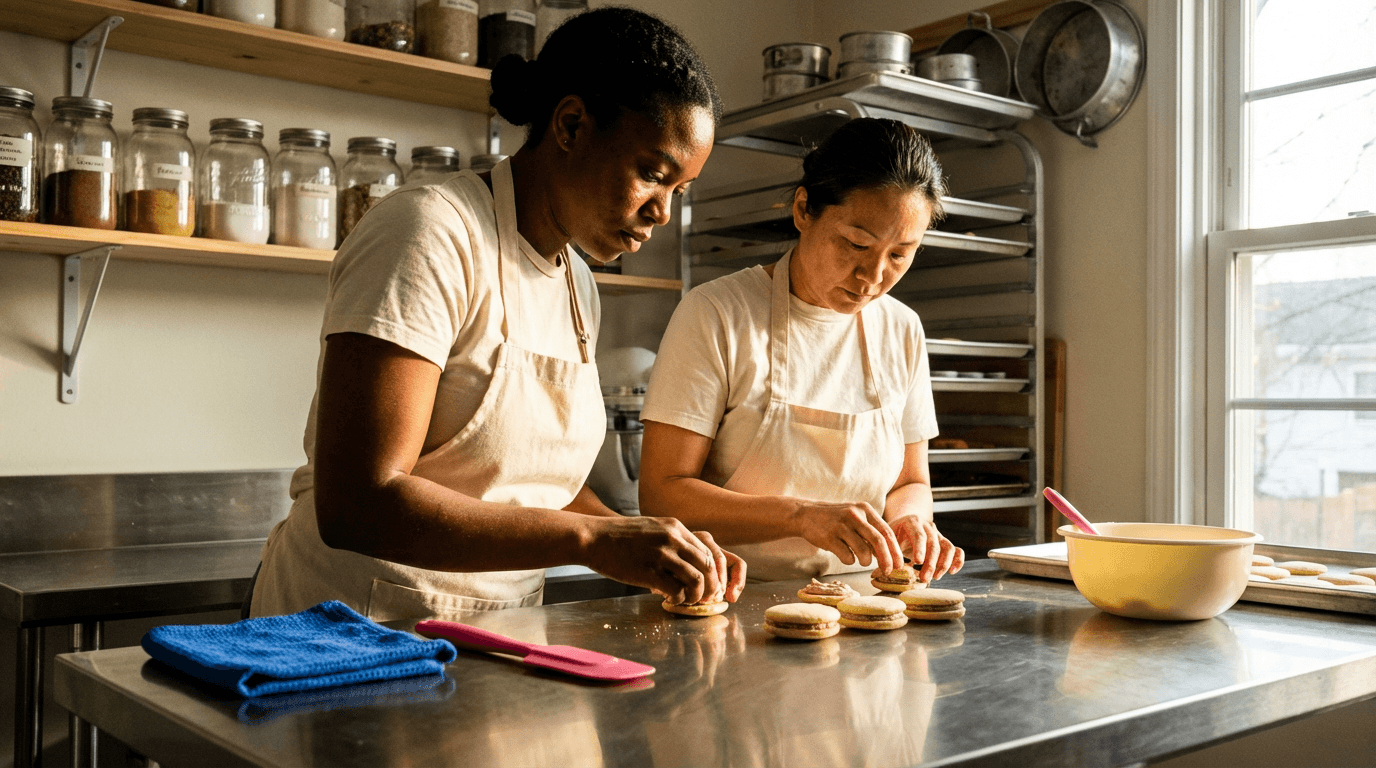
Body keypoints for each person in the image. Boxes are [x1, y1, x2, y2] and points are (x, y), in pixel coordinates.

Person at [252, 8, 746, 621]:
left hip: (499, 633)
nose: (662, 213)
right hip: (354, 629)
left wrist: (644, 540)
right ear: (570, 125)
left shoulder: (578, 283)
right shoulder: (430, 232)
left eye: (680, 191)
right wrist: (595, 542)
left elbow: (535, 489)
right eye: (653, 174)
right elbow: (359, 503)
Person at [638, 118, 965, 583]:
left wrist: (911, 520)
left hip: (860, 604)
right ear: (803, 209)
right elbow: (661, 495)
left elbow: (910, 482)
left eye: (899, 255)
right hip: (726, 598)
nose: (872, 276)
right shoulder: (715, 314)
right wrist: (799, 516)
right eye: (856, 244)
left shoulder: (903, 329)